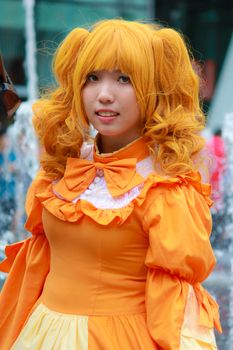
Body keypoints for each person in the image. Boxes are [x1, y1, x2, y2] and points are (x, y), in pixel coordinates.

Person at [0, 19, 221, 350]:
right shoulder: (64, 164)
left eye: (124, 79)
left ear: (153, 87)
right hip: (42, 333)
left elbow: (175, 299)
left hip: (122, 340)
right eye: (93, 78)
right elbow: (35, 264)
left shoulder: (166, 186)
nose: (104, 95)